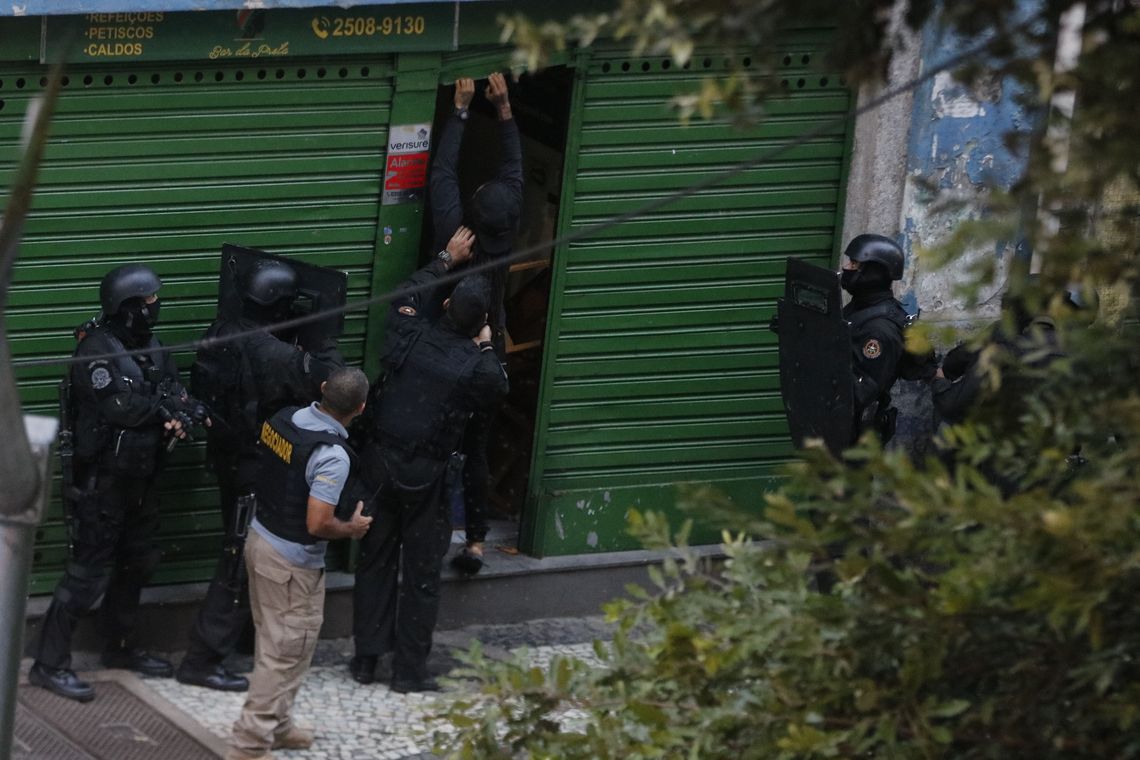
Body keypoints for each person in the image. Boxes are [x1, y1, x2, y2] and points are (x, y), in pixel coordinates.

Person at [30, 264, 207, 702]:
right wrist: (166, 411)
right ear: (125, 308)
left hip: (141, 479)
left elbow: (172, 389)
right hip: (102, 483)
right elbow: (122, 407)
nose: (155, 308)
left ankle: (120, 647)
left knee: (137, 563)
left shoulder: (151, 345)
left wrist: (187, 411)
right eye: (147, 302)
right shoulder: (95, 352)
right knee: (84, 575)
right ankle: (48, 664)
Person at [349, 227, 509, 692]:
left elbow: (405, 292)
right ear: (480, 323)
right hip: (428, 475)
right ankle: (408, 674)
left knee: (375, 560)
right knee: (421, 574)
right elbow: (499, 386)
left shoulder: (410, 330)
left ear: (443, 306)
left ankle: (365, 661)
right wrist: (483, 344)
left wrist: (446, 258)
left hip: (378, 462)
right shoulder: (476, 365)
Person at [178, 259, 343, 693]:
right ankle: (203, 657)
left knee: (242, 552)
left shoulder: (223, 331)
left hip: (228, 456)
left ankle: (239, 640)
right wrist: (321, 338)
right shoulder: (275, 355)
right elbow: (330, 382)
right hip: (254, 464)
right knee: (239, 558)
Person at [227, 367, 373, 760]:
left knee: (276, 643)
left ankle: (277, 726)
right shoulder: (332, 456)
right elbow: (317, 522)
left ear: (323, 389)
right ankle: (250, 746)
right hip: (291, 564)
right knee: (284, 653)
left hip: (261, 540)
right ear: (360, 408)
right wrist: (352, 528)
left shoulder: (285, 419)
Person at [427, 72, 522, 574]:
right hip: (492, 353)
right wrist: (503, 108)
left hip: (450, 351)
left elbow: (442, 172)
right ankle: (478, 542)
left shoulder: (456, 235)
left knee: (438, 440)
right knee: (478, 447)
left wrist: (461, 109)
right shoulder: (506, 232)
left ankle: (430, 532)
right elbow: (514, 167)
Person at [840, 234, 911, 443]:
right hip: (840, 429)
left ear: (874, 273)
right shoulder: (862, 306)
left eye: (854, 263)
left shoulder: (879, 331)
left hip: (855, 437)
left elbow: (861, 393)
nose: (846, 267)